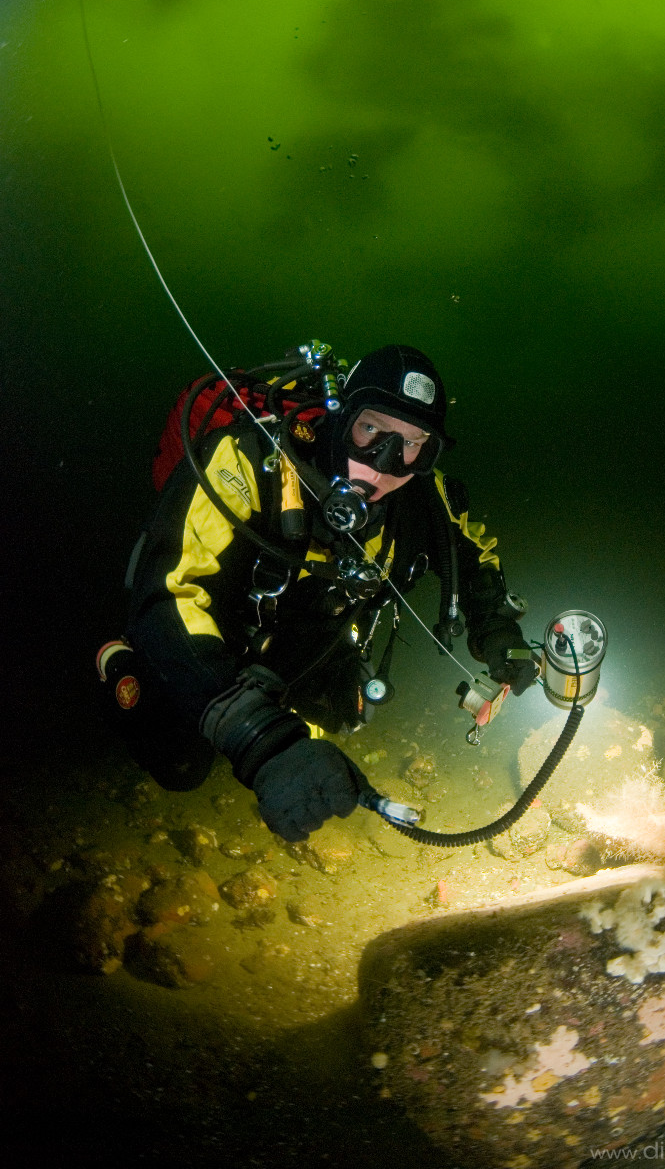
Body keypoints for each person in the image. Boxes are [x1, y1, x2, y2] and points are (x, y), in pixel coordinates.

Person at [97, 344, 536, 841]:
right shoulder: (246, 459)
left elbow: (472, 553)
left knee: (340, 714)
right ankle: (118, 662)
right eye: (371, 431)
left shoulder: (419, 493)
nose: (386, 464)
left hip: (306, 628)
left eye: (415, 445)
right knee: (180, 764)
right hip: (214, 630)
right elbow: (171, 590)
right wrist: (258, 738)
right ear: (342, 416)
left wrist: (498, 629)